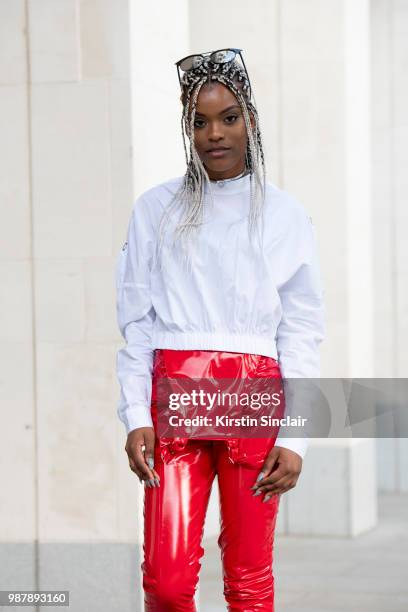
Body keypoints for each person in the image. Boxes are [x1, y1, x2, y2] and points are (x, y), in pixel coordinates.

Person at [115, 48, 325, 611]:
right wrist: (136, 414)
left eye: (228, 117)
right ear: (186, 126)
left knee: (250, 578)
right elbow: (136, 320)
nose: (215, 133)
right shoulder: (154, 209)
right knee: (165, 580)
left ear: (250, 120)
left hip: (254, 401)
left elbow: (302, 330)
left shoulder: (285, 215)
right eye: (199, 121)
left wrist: (295, 436)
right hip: (175, 404)